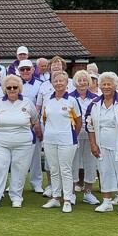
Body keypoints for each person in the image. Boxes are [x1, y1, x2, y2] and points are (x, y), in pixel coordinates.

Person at [0, 75, 39, 209]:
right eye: (9, 87)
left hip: (23, 143)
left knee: (19, 169)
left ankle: (16, 197)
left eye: (15, 87)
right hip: (1, 142)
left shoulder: (27, 102)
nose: (12, 89)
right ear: (4, 89)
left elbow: (34, 119)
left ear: (20, 88)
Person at [86, 72, 118, 216]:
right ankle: (107, 202)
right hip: (102, 145)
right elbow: (89, 126)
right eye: (103, 84)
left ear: (115, 85)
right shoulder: (94, 104)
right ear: (99, 85)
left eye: (109, 84)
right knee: (104, 172)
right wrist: (93, 144)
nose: (106, 87)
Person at [40, 71, 82, 213]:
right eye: (56, 81)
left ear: (66, 83)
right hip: (50, 140)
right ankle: (56, 198)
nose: (58, 83)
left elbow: (78, 121)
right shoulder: (48, 100)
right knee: (54, 169)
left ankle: (68, 200)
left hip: (67, 140)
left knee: (65, 169)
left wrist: (70, 135)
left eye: (61, 81)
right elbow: (45, 119)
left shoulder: (72, 100)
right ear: (52, 83)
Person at [69, 70, 100, 205]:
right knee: (73, 164)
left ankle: (88, 193)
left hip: (90, 137)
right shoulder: (69, 97)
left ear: (89, 82)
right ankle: (72, 193)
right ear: (75, 82)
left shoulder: (96, 98)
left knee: (90, 164)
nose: (82, 83)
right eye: (79, 80)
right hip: (73, 137)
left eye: (85, 80)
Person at [16, 59, 46, 193]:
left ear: (33, 70)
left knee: (35, 155)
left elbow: (41, 106)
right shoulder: (14, 84)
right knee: (16, 156)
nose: (25, 72)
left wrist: (38, 124)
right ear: (19, 71)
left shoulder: (40, 85)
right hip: (17, 124)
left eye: (28, 69)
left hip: (35, 124)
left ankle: (36, 182)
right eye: (22, 69)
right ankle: (15, 183)